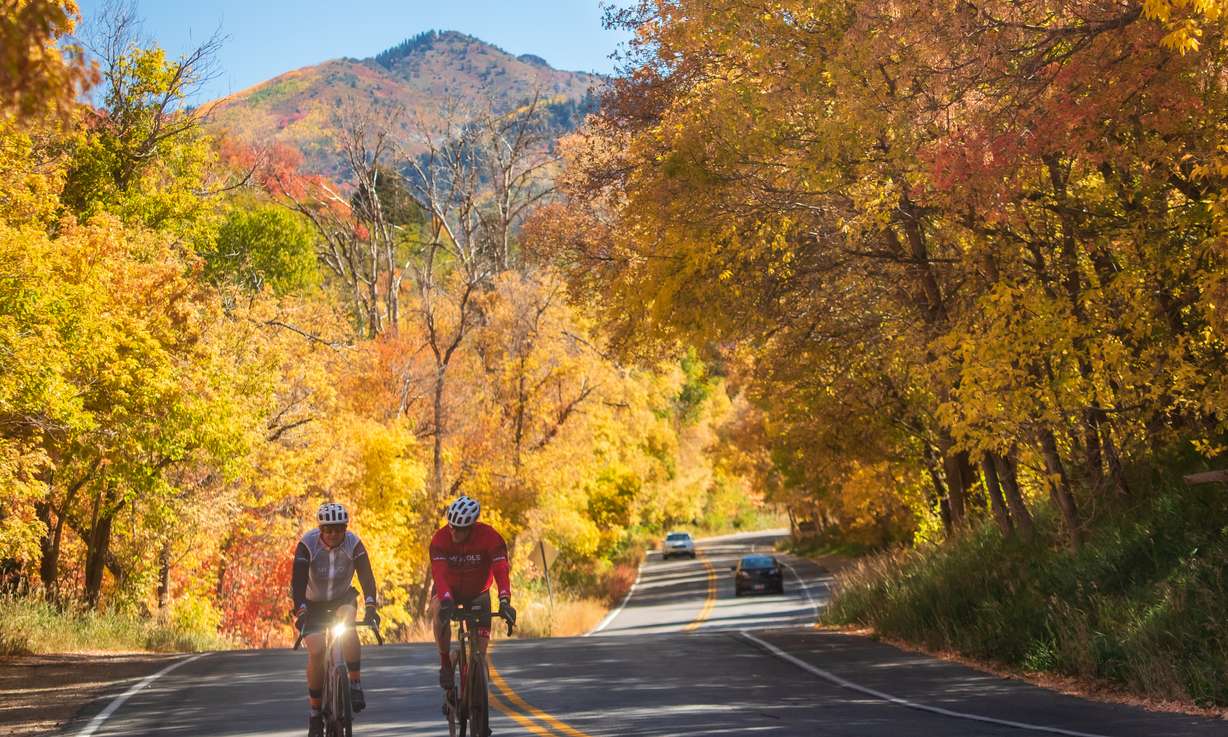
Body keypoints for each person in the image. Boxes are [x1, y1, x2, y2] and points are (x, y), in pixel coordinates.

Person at [291, 502, 380, 737]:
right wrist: (300, 611)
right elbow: (297, 583)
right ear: (320, 530)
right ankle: (314, 713)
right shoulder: (307, 544)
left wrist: (371, 605)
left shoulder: (354, 543)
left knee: (348, 626)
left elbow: (367, 577)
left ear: (345, 528)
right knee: (317, 650)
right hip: (311, 605)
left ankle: (355, 684)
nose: (333, 534)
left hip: (342, 598)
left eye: (338, 529)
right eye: (328, 530)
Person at [430, 495, 516, 693]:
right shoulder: (440, 539)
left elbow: (501, 570)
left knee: (480, 653)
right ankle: (445, 662)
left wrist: (505, 600)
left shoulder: (490, 538)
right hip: (448, 590)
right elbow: (439, 574)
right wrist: (446, 599)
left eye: (459, 529)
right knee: (437, 610)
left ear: (471, 527)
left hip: (478, 592)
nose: (453, 531)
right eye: (451, 525)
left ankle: (474, 701)